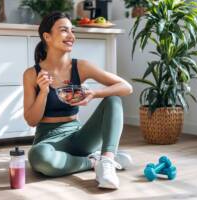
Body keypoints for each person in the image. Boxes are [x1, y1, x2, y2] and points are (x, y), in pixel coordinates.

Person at [23, 12, 133, 189]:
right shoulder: (31, 74)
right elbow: (31, 120)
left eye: (72, 31)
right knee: (39, 157)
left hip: (80, 138)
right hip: (48, 140)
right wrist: (43, 92)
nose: (71, 36)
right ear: (47, 36)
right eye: (64, 30)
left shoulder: (80, 67)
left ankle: (107, 161)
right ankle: (93, 162)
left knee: (113, 99)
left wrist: (94, 94)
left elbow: (126, 87)